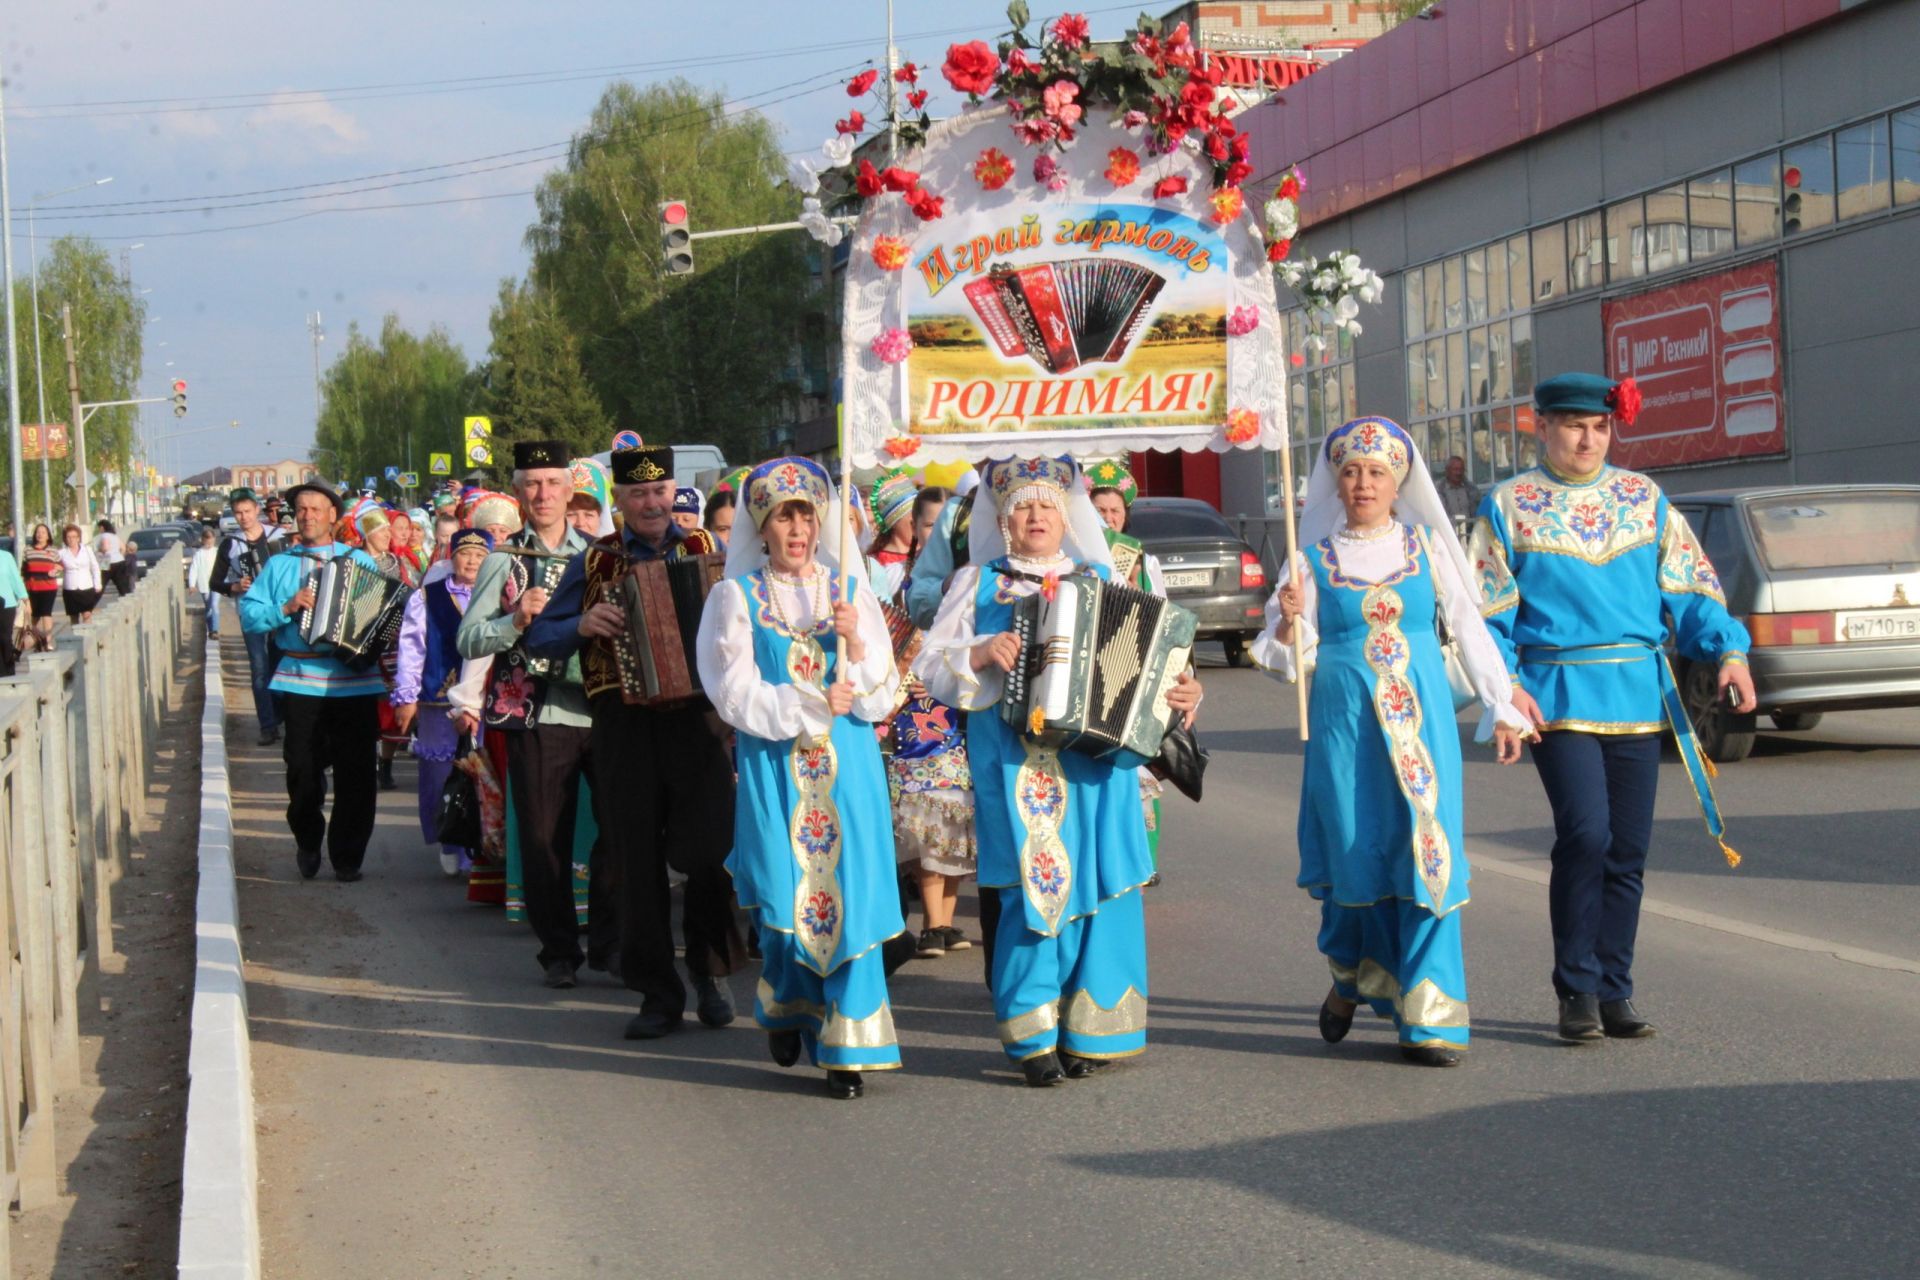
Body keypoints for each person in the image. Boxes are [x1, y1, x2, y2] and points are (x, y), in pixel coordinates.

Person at [1470, 372, 1754, 1043]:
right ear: (1540, 426)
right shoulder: (1508, 506)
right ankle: (1576, 989)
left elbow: (1690, 587)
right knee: (1587, 835)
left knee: (1627, 848)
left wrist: (1729, 655)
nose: (1588, 438)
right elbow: (1484, 611)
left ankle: (1614, 990)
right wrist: (1504, 686)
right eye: (1573, 425)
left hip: (1635, 694)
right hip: (1558, 696)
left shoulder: (1644, 498)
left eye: (1599, 427)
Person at [914, 458, 1203, 1086]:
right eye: (1023, 507)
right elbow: (932, 665)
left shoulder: (1105, 578)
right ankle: (1032, 1033)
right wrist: (982, 654)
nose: (1037, 517)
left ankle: (1094, 1030)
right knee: (1031, 885)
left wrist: (1183, 694)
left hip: (1095, 765)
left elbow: (1161, 665)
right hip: (1016, 763)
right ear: (1002, 519)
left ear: (1066, 515)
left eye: (1048, 505)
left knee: (1102, 883)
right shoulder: (977, 582)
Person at [1256, 417, 1530, 1068]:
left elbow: (1468, 623)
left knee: (1427, 850)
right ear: (1337, 482)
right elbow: (1281, 658)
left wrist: (1503, 704)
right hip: (1345, 725)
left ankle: (1432, 1014)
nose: (1363, 483)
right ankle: (1353, 972)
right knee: (1356, 856)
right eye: (1351, 471)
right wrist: (1290, 621)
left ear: (1398, 480)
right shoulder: (1310, 559)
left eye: (1377, 472)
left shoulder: (1427, 545)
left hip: (1423, 722)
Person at [697, 456, 906, 1099]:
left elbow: (883, 695)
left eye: (805, 516)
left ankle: (849, 1044)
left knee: (854, 896)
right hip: (776, 764)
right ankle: (790, 1005)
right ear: (760, 525)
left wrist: (861, 648)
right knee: (789, 902)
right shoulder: (734, 597)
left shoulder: (850, 589)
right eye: (782, 516)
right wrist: (804, 705)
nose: (796, 529)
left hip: (849, 769)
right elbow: (731, 691)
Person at [524, 445, 742, 1039]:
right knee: (633, 858)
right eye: (638, 495)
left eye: (660, 492)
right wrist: (580, 624)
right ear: (619, 502)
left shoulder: (707, 551)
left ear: (673, 493)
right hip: (624, 723)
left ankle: (709, 970)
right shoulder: (594, 561)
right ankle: (656, 993)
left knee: (709, 853)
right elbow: (539, 638)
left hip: (699, 722)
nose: (652, 504)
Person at [457, 441, 616, 988]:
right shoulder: (503, 560)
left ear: (571, 490)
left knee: (621, 830)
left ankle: (610, 938)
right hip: (531, 713)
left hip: (599, 710)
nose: (543, 494)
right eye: (532, 484)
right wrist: (513, 621)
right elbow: (469, 637)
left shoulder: (598, 553)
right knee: (546, 837)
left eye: (553, 483)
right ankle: (559, 951)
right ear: (519, 492)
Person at [238, 484, 387, 882]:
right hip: (300, 678)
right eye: (301, 509)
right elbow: (250, 616)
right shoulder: (280, 565)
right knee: (301, 768)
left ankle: (347, 856)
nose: (307, 516)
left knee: (357, 773)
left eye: (316, 509)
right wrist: (286, 607)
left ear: (333, 517)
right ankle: (307, 838)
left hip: (354, 681)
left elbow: (383, 612)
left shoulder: (361, 562)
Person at [873, 483, 976, 958]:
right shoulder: (903, 586)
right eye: (929, 525)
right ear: (915, 530)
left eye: (943, 526)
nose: (936, 533)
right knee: (926, 812)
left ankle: (945, 921)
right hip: (915, 719)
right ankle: (932, 922)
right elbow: (888, 646)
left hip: (959, 710)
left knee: (957, 815)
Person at [1086, 458, 1173, 883]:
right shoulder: (1077, 558)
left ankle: (1144, 861)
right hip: (1091, 673)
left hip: (1135, 670)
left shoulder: (1143, 559)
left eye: (1115, 512)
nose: (1108, 519)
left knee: (1142, 765)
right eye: (1099, 511)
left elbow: (1162, 616)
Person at [393, 528, 491, 877]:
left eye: (480, 556)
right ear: (452, 557)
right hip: (438, 699)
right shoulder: (428, 596)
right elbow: (412, 648)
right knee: (439, 772)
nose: (472, 561)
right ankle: (449, 839)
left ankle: (475, 847)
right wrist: (406, 696)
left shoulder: (498, 595)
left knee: (480, 772)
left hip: (484, 701)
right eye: (465, 554)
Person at [211, 488, 286, 745]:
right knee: (259, 669)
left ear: (257, 510)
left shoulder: (279, 536)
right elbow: (215, 582)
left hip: (282, 611)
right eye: (238, 513)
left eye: (247, 511)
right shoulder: (231, 544)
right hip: (251, 613)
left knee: (280, 664)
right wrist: (234, 587)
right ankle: (268, 726)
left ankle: (279, 715)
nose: (243, 517)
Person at [58, 525, 105, 624]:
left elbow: (95, 567)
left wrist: (98, 584)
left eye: (74, 537)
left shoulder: (87, 550)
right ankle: (76, 638)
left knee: (87, 615)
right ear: (65, 539)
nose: (71, 540)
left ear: (78, 538)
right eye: (68, 537)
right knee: (74, 617)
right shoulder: (62, 553)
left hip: (86, 587)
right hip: (70, 588)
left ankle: (88, 637)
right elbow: (57, 567)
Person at [188, 528, 221, 638]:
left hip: (217, 583)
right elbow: (194, 569)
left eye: (211, 540)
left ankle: (215, 630)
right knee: (208, 607)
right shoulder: (198, 554)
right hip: (204, 584)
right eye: (206, 541)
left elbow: (223, 568)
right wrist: (192, 585)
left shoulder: (217, 552)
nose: (209, 543)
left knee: (214, 605)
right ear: (202, 540)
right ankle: (210, 629)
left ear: (214, 539)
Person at [0, 548, 26, 676]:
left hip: (7, 604)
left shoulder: (6, 556)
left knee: (5, 638)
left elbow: (15, 579)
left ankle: (10, 673)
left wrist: (25, 598)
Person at [1438, 455, 1480, 534]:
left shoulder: (1472, 489)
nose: (1459, 473)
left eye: (1461, 469)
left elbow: (1478, 513)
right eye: (1455, 469)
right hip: (1449, 534)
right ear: (1447, 471)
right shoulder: (1439, 490)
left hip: (1470, 534)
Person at [95, 519, 133, 596]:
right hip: (119, 560)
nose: (99, 530)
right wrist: (119, 556)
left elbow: (105, 548)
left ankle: (91, 601)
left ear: (102, 527)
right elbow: (123, 548)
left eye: (99, 528)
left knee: (101, 583)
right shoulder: (114, 536)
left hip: (106, 560)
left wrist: (99, 550)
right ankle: (127, 598)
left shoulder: (104, 535)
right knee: (122, 585)